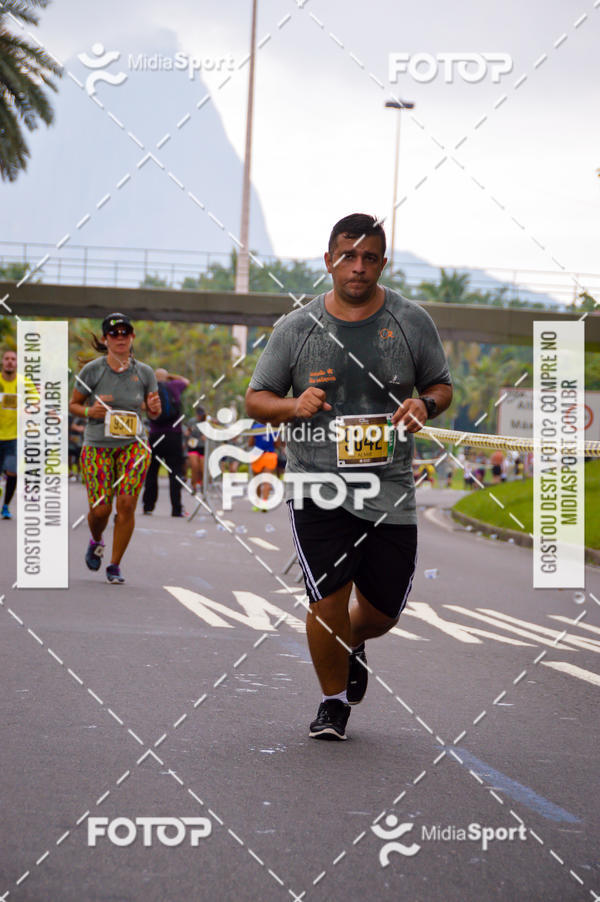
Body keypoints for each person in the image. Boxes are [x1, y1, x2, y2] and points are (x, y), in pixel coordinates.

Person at [246, 213, 452, 740]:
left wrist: (424, 404)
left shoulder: (412, 322)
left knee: (383, 611)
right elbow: (256, 399)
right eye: (347, 256)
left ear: (383, 263)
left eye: (368, 258)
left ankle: (352, 641)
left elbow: (442, 387)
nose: (357, 268)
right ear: (328, 261)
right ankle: (332, 703)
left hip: (389, 487)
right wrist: (293, 406)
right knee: (327, 598)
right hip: (317, 484)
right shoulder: (297, 328)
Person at [69, 313, 161, 584]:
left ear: (132, 337)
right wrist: (89, 411)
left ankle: (114, 565)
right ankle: (96, 539)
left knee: (127, 504)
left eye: (125, 333)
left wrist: (155, 410)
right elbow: (73, 404)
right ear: (106, 339)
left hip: (134, 445)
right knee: (100, 511)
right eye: (114, 334)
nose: (120, 338)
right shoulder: (93, 371)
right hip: (98, 445)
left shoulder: (144, 372)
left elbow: (153, 411)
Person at [142, 368, 189, 517]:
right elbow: (186, 381)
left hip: (155, 435)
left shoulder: (149, 390)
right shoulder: (174, 386)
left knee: (152, 471)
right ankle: (176, 509)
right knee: (175, 472)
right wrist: (170, 376)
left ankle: (148, 506)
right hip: (173, 435)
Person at [0, 349, 18, 519]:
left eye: (13, 359)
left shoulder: (23, 383)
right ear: (2, 362)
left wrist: (31, 408)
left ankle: (5, 506)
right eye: (7, 359)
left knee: (12, 472)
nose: (10, 361)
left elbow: (36, 402)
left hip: (14, 437)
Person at [248, 421, 278, 510]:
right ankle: (264, 502)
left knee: (257, 480)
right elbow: (277, 444)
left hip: (257, 455)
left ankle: (257, 503)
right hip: (269, 455)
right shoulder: (275, 427)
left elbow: (250, 443)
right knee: (266, 481)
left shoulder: (255, 427)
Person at [185, 406, 207, 495]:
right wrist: (188, 434)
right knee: (194, 466)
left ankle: (201, 484)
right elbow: (187, 432)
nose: (199, 416)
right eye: (198, 415)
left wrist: (206, 436)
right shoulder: (192, 421)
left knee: (202, 468)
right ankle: (193, 485)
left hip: (202, 447)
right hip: (193, 446)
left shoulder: (206, 422)